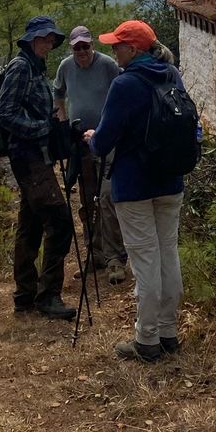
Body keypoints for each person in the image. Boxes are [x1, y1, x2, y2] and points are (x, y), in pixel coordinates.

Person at [85, 19, 187, 363]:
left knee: (145, 260)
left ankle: (147, 340)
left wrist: (91, 139)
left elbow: (105, 140)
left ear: (134, 49)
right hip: (171, 180)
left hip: (134, 184)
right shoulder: (171, 74)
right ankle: (168, 332)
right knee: (167, 255)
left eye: (118, 45)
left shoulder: (125, 83)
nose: (113, 51)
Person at [0, 15, 76, 320]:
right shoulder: (20, 67)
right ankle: (48, 295)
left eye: (51, 39)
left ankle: (25, 296)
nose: (48, 43)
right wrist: (40, 129)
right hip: (28, 156)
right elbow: (5, 113)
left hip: (35, 155)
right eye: (43, 39)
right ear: (30, 40)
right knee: (60, 222)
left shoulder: (35, 68)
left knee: (30, 225)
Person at [53, 25, 125, 283]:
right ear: (71, 49)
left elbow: (122, 92)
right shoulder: (65, 67)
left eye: (85, 46)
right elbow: (57, 94)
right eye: (77, 47)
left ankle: (115, 258)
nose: (82, 51)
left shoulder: (107, 65)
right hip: (80, 144)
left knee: (107, 198)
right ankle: (94, 254)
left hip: (107, 142)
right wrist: (63, 122)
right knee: (87, 200)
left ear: (92, 45)